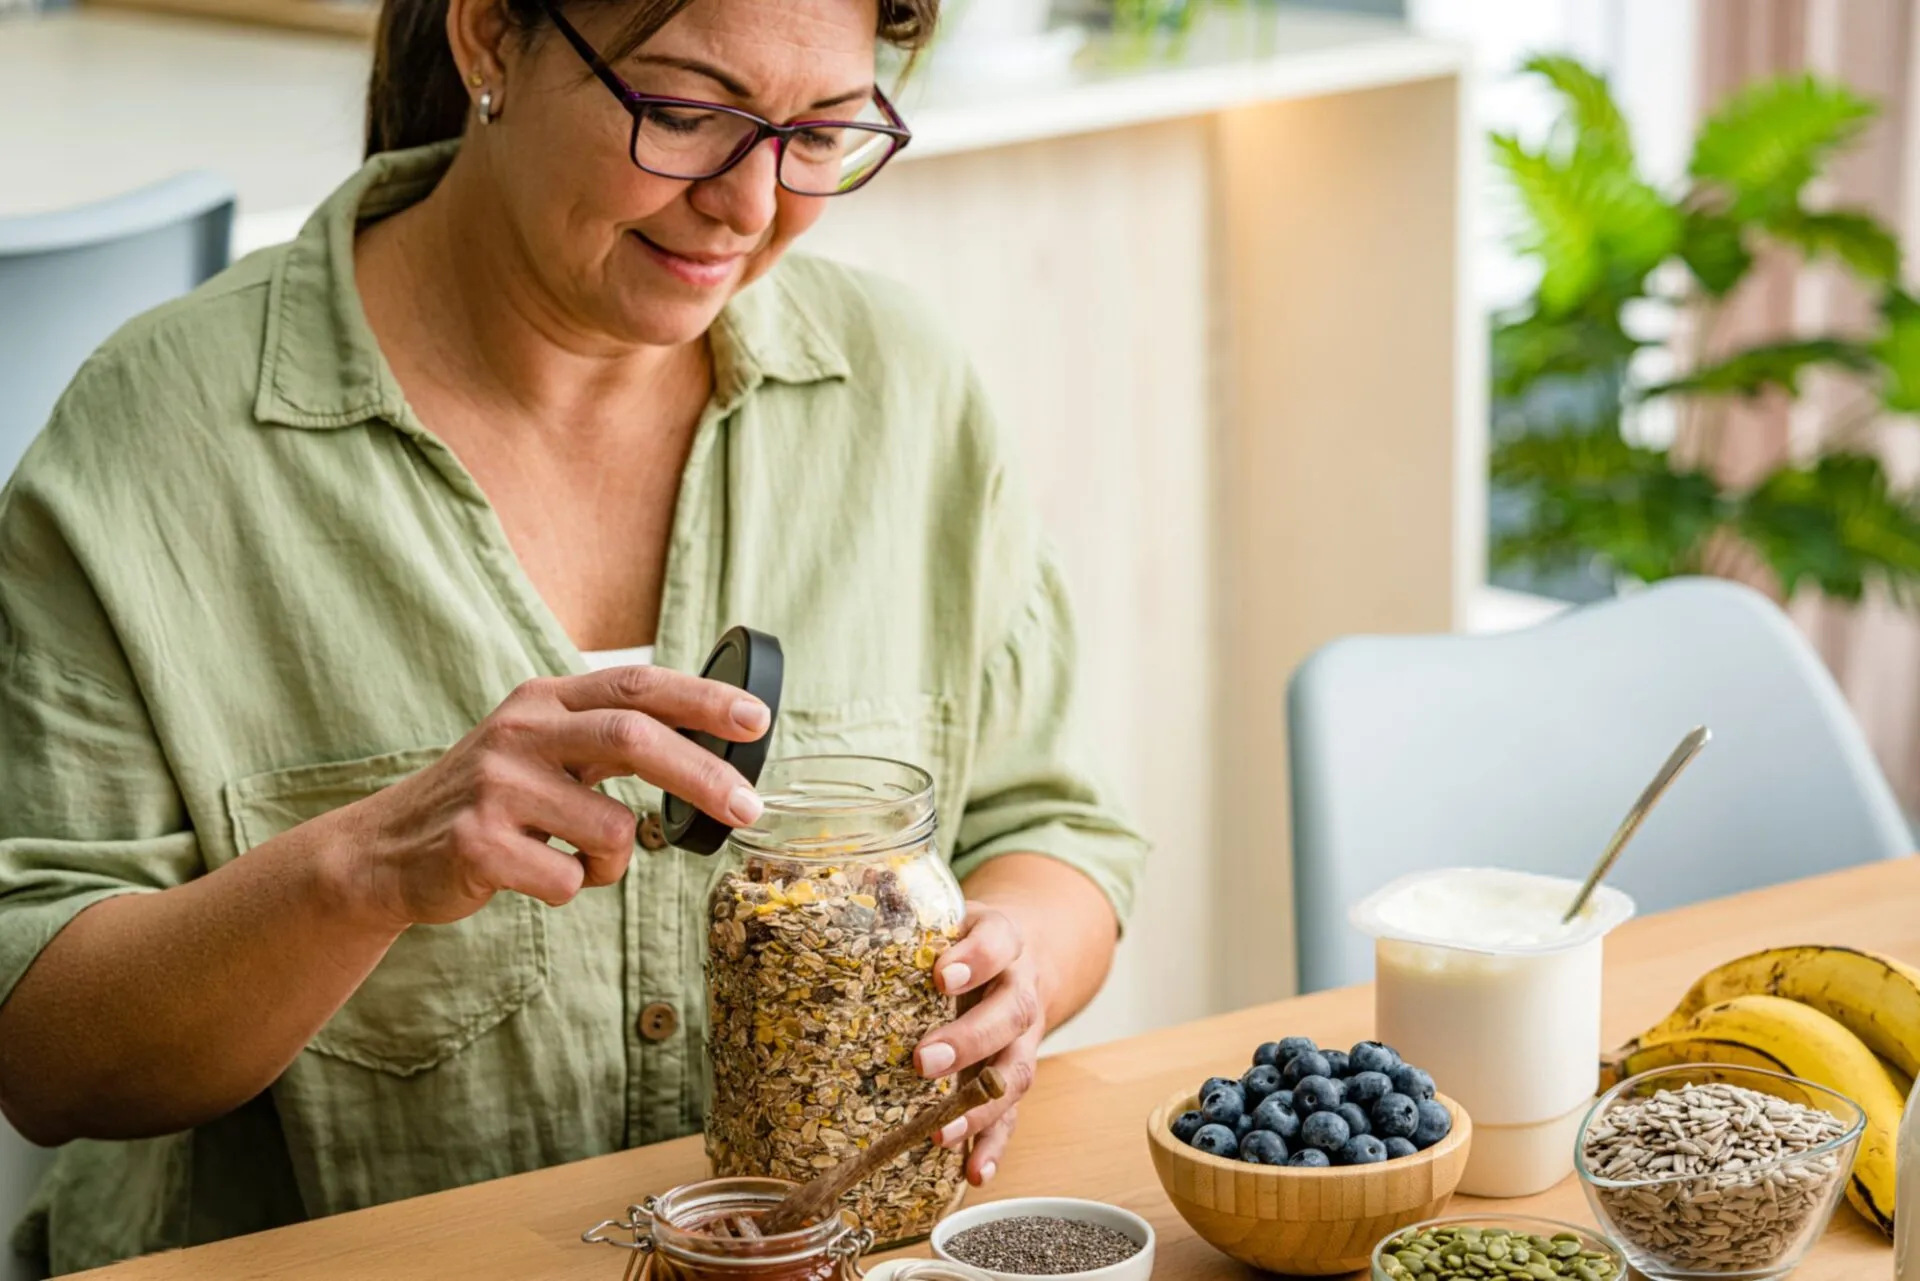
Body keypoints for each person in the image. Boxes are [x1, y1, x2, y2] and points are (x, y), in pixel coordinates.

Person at [0, 0, 1148, 1272]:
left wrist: (1008, 965)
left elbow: (1055, 832)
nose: (750, 204)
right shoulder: (156, 444)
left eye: (819, 132)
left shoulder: (904, 391)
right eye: (684, 113)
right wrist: (363, 873)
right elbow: (45, 1057)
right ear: (490, 37)